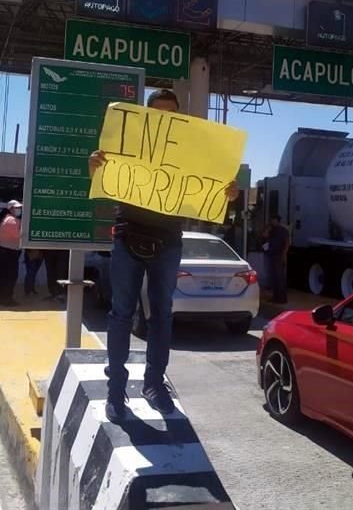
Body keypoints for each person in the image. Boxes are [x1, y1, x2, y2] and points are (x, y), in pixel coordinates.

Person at [88, 88, 241, 422]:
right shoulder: (126, 145)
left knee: (162, 315)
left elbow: (213, 191)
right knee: (120, 315)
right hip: (128, 236)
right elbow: (102, 185)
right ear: (147, 117)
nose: (164, 120)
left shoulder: (193, 153)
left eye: (170, 114)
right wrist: (95, 167)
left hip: (169, 242)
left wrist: (228, 193)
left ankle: (154, 384)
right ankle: (116, 392)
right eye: (157, 114)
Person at [0, 200, 23, 305]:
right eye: (16, 208)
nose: (19, 210)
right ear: (10, 209)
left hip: (7, 251)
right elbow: (19, 236)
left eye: (19, 208)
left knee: (6, 275)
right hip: (9, 252)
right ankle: (7, 298)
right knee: (10, 276)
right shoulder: (11, 220)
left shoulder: (9, 219)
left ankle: (4, 296)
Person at [263, 214, 290, 304]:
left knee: (280, 277)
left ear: (277, 220)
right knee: (274, 277)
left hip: (279, 255)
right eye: (271, 220)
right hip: (272, 255)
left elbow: (287, 243)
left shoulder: (283, 230)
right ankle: (275, 297)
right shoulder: (271, 230)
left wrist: (284, 254)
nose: (272, 221)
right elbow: (264, 236)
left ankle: (282, 298)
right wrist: (268, 229)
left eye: (273, 220)